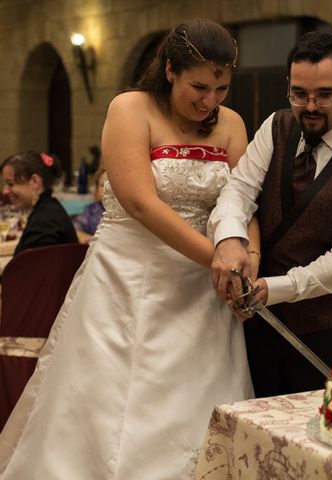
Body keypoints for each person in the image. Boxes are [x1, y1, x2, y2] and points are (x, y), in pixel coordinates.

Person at [0, 20, 255, 479]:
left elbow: (243, 200)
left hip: (204, 292)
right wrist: (216, 257)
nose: (210, 101)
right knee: (113, 411)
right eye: (199, 86)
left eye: (221, 88)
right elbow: (140, 202)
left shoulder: (233, 124)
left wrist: (248, 260)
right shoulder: (130, 108)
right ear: (171, 69)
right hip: (129, 278)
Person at [208, 31, 332, 398]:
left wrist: (274, 288)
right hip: (252, 322)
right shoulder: (276, 126)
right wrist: (230, 237)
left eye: (324, 95)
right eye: (299, 94)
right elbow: (239, 189)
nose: (310, 106)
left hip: (322, 330)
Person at [1, 151, 78, 254]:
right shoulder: (49, 209)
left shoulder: (45, 222)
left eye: (10, 184)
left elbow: (34, 267)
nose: (4, 191)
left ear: (34, 182)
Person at [72, 168, 106, 243]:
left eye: (110, 185)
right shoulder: (90, 211)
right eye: (102, 185)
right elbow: (75, 229)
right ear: (96, 190)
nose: (106, 189)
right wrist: (85, 237)